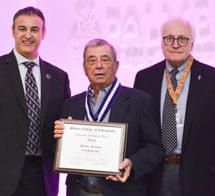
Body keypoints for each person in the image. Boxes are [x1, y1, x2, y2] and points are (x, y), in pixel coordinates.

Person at [0, 6, 70, 196]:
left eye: (34, 29)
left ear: (43, 33)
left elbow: (65, 123)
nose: (28, 35)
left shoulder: (59, 77)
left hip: (43, 179)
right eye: (22, 29)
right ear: (13, 31)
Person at [133, 18, 215, 196]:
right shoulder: (144, 78)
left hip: (201, 179)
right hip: (154, 176)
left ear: (192, 44)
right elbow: (136, 133)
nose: (175, 44)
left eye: (182, 39)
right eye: (169, 38)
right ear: (161, 43)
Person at [53, 38, 164, 196]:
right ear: (84, 68)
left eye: (105, 60)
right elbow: (57, 151)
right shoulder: (71, 104)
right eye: (92, 60)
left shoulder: (139, 101)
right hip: (80, 191)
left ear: (116, 66)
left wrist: (132, 163)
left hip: (122, 191)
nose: (98, 65)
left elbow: (155, 148)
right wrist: (60, 139)